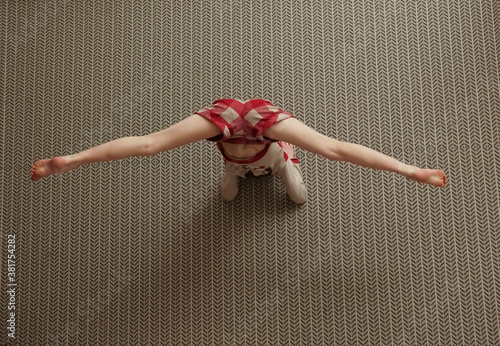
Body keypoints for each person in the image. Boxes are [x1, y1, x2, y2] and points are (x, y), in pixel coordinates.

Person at [30, 98, 447, 203]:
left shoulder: (267, 123)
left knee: (298, 197)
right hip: (237, 162)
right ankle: (238, 175)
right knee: (228, 194)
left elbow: (333, 149)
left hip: (272, 157)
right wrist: (74, 159)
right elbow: (147, 145)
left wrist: (407, 169)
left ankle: (283, 169)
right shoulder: (232, 121)